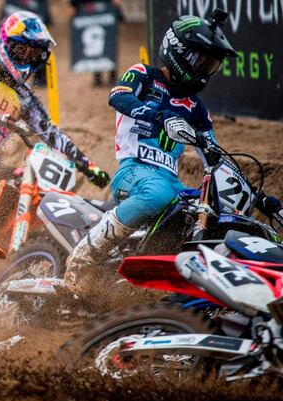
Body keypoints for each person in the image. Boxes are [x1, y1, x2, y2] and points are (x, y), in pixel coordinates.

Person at [64, 13, 283, 293]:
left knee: (208, 209)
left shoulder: (197, 109)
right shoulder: (144, 75)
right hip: (134, 170)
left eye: (211, 65)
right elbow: (117, 95)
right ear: (179, 52)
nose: (205, 70)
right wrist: (158, 115)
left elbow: (214, 157)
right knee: (158, 195)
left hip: (170, 181)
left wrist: (259, 197)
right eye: (201, 61)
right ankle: (83, 258)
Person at [0, 11, 108, 219]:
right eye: (22, 50)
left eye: (34, 55)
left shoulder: (25, 97)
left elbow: (52, 133)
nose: (27, 58)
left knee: (28, 188)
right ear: (6, 43)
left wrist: (89, 167)